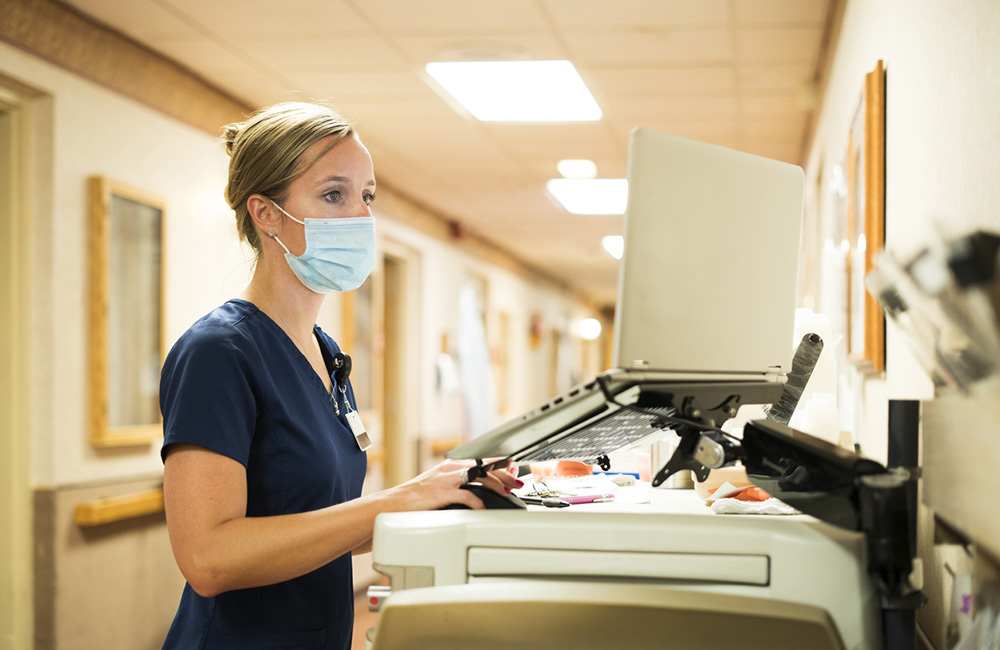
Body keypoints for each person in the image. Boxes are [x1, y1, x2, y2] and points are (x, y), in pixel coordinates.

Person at [159, 100, 518, 649]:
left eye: (366, 195)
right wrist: (393, 502)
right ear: (267, 213)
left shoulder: (326, 357)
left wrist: (436, 500)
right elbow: (207, 559)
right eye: (334, 194)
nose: (361, 216)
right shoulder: (220, 352)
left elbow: (313, 528)